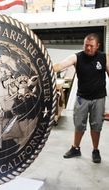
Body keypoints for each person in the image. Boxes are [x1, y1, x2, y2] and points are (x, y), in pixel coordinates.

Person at [53, 33, 109, 164]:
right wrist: (46, 66)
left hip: (99, 98)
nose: (88, 48)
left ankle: (95, 150)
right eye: (86, 45)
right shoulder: (77, 57)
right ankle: (75, 148)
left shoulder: (103, 57)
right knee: (79, 125)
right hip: (82, 98)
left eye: (91, 46)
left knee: (96, 126)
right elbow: (61, 65)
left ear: (97, 46)